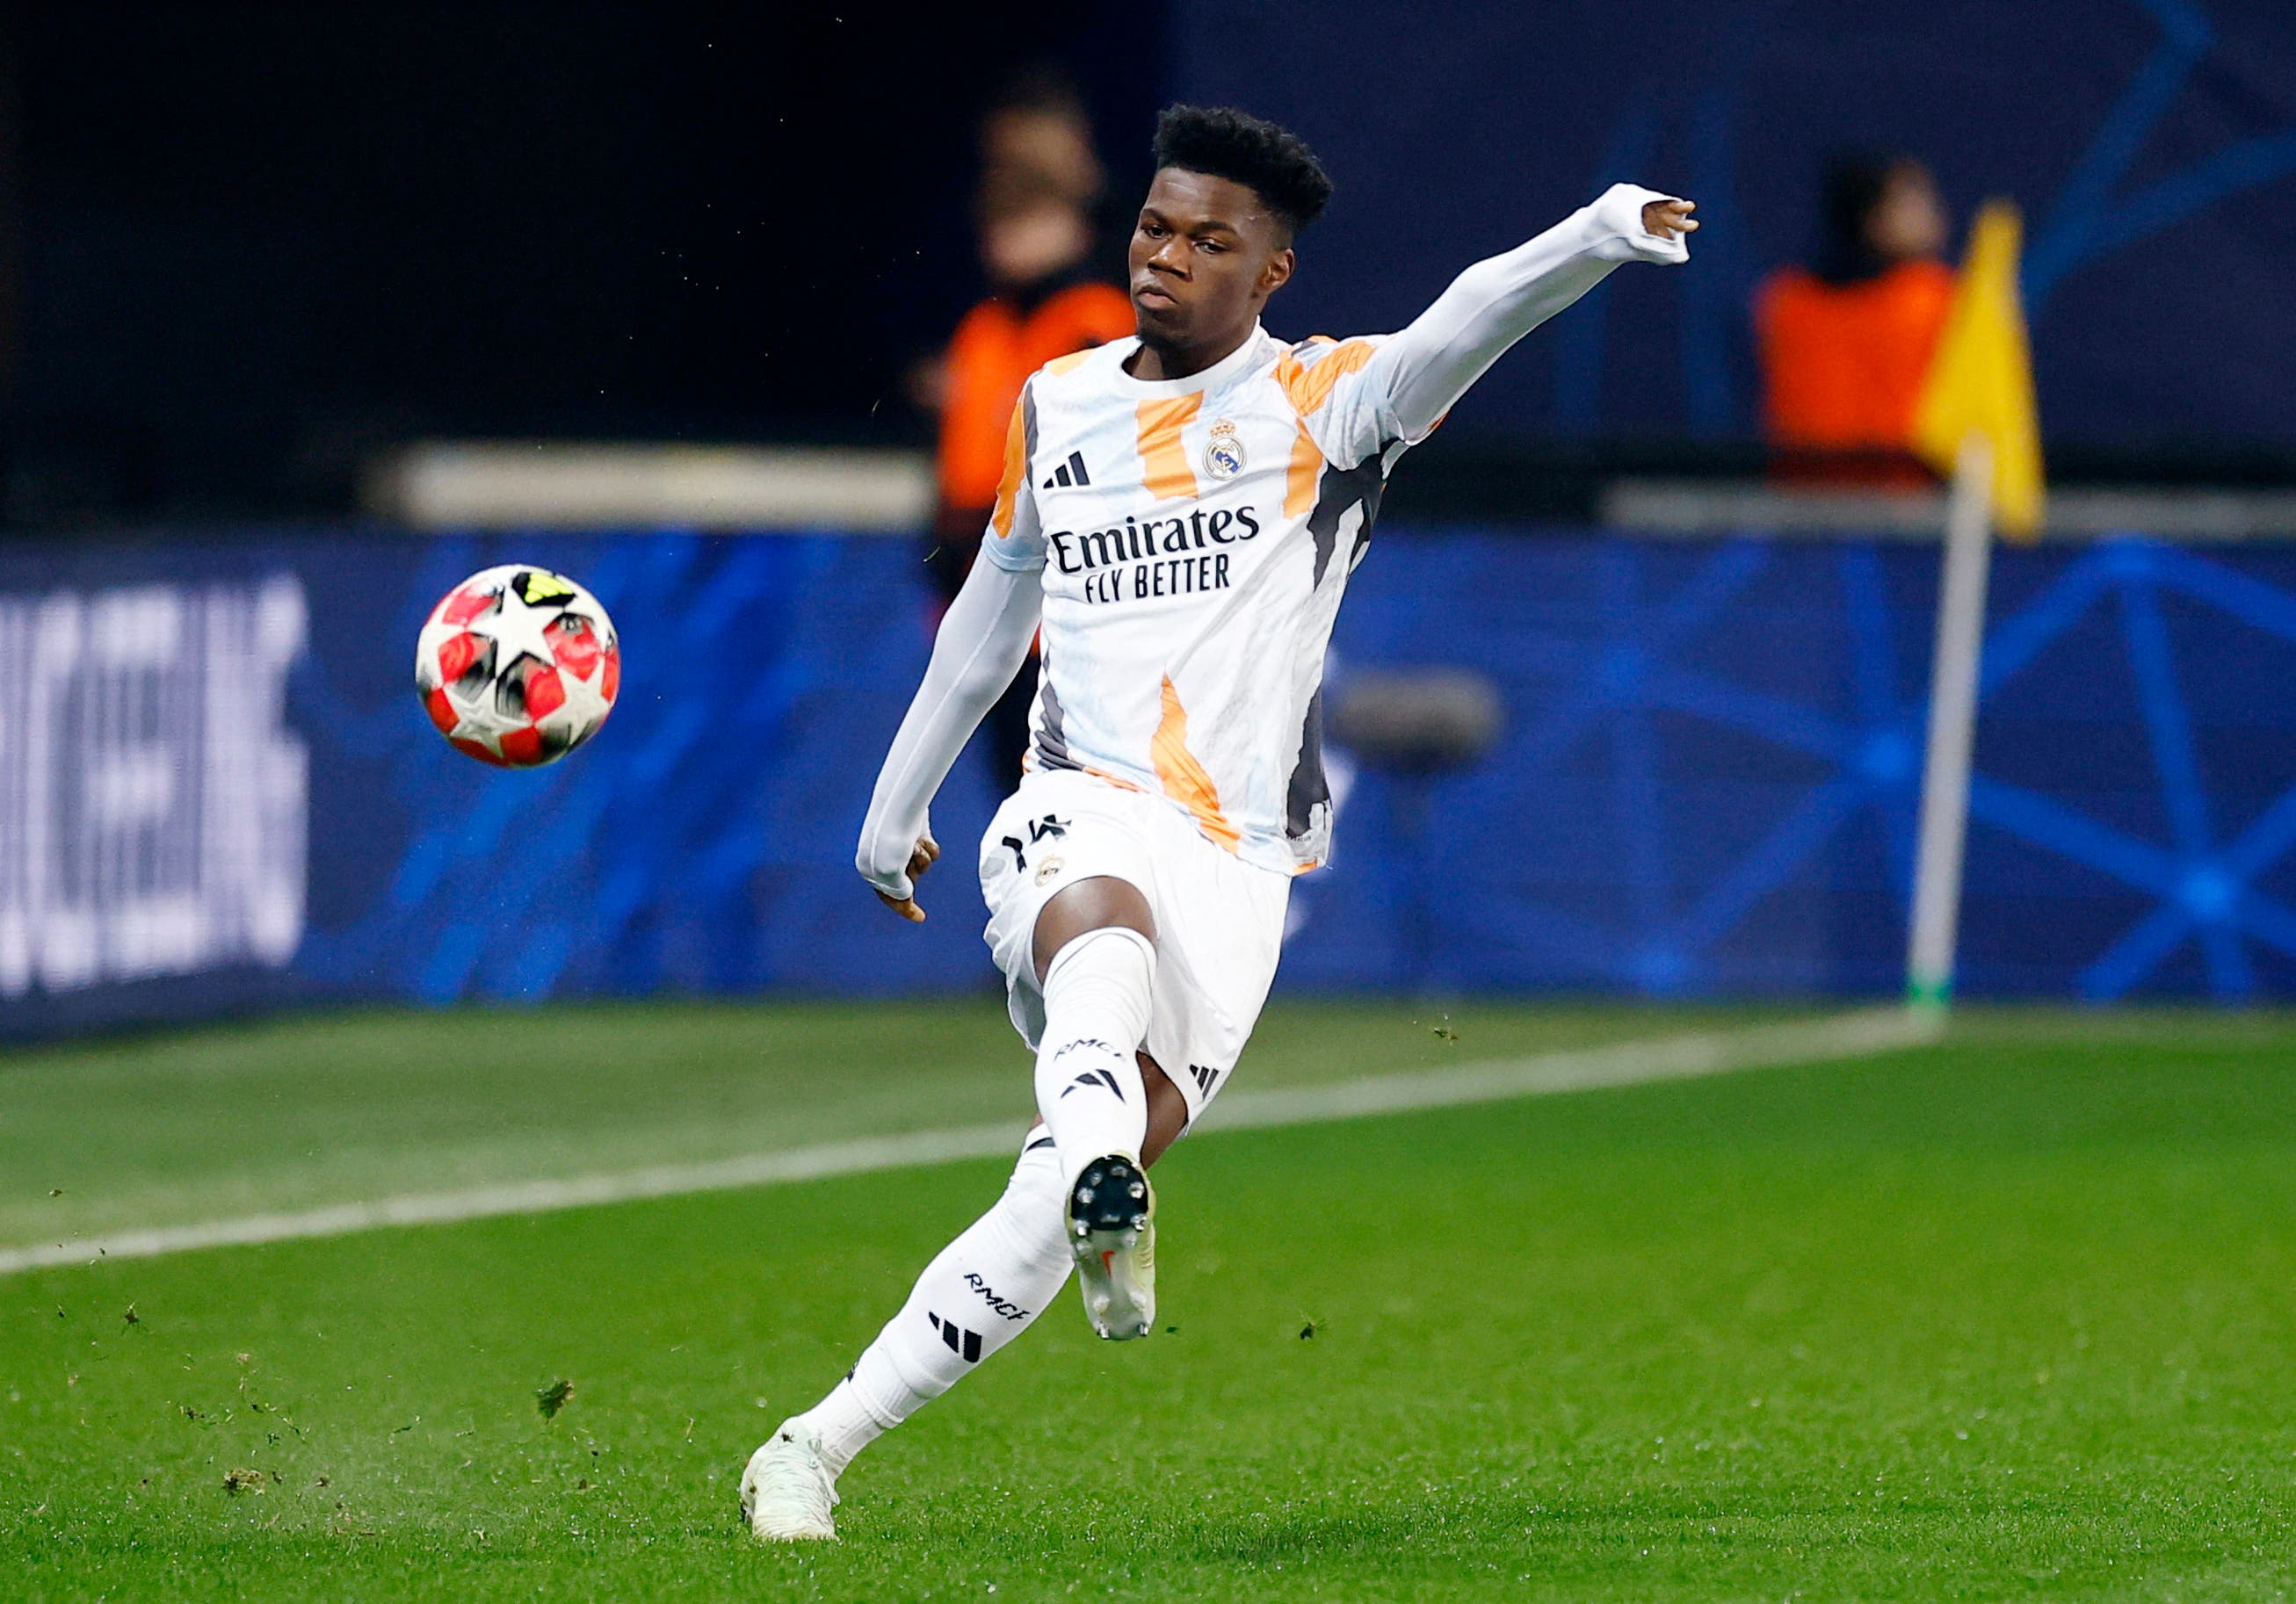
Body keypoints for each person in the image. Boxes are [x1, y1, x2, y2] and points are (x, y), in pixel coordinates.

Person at [742, 105, 1695, 1542]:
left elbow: (1466, 318)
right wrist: (895, 804)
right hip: (1074, 801)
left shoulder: (1323, 406)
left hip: (1241, 865)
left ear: (1270, 273)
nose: (1164, 258)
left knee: (1051, 1187)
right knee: (1095, 935)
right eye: (1152, 227)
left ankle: (811, 1444)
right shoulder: (1056, 403)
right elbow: (990, 618)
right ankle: (1105, 1163)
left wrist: (1592, 236)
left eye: (1207, 240)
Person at [929, 163, 1134, 781]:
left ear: (1070, 229)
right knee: (1005, 783)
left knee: (1071, 791)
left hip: (1067, 603)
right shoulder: (983, 328)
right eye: (999, 227)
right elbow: (957, 465)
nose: (1010, 242)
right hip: (981, 590)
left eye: (1028, 224)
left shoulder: (1093, 319)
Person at [1754, 155, 1953, 486]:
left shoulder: (1781, 298)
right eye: (1914, 206)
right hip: (1875, 505)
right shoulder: (1935, 299)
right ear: (1872, 220)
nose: (1936, 219)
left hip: (1809, 499)